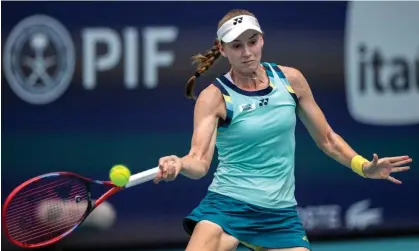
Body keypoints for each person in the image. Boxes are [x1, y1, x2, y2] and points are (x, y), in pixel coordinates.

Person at [153, 9, 412, 251]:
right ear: (222, 49)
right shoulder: (214, 97)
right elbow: (198, 161)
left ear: (262, 40)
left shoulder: (291, 81)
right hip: (227, 206)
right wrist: (180, 163)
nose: (246, 52)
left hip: (280, 214)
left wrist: (364, 167)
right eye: (236, 46)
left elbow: (328, 140)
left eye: (252, 42)